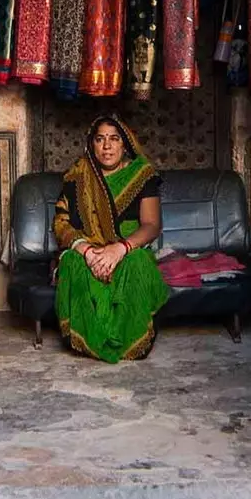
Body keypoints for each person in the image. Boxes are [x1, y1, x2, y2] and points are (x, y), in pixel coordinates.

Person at [51, 116, 170, 362]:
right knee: (72, 262)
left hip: (128, 249)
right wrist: (86, 251)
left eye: (114, 139)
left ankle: (131, 340)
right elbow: (61, 223)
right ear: (91, 145)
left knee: (138, 263)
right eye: (100, 139)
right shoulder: (77, 177)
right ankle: (91, 340)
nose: (107, 146)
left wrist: (120, 249)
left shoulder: (142, 175)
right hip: (89, 251)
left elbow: (152, 225)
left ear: (124, 145)